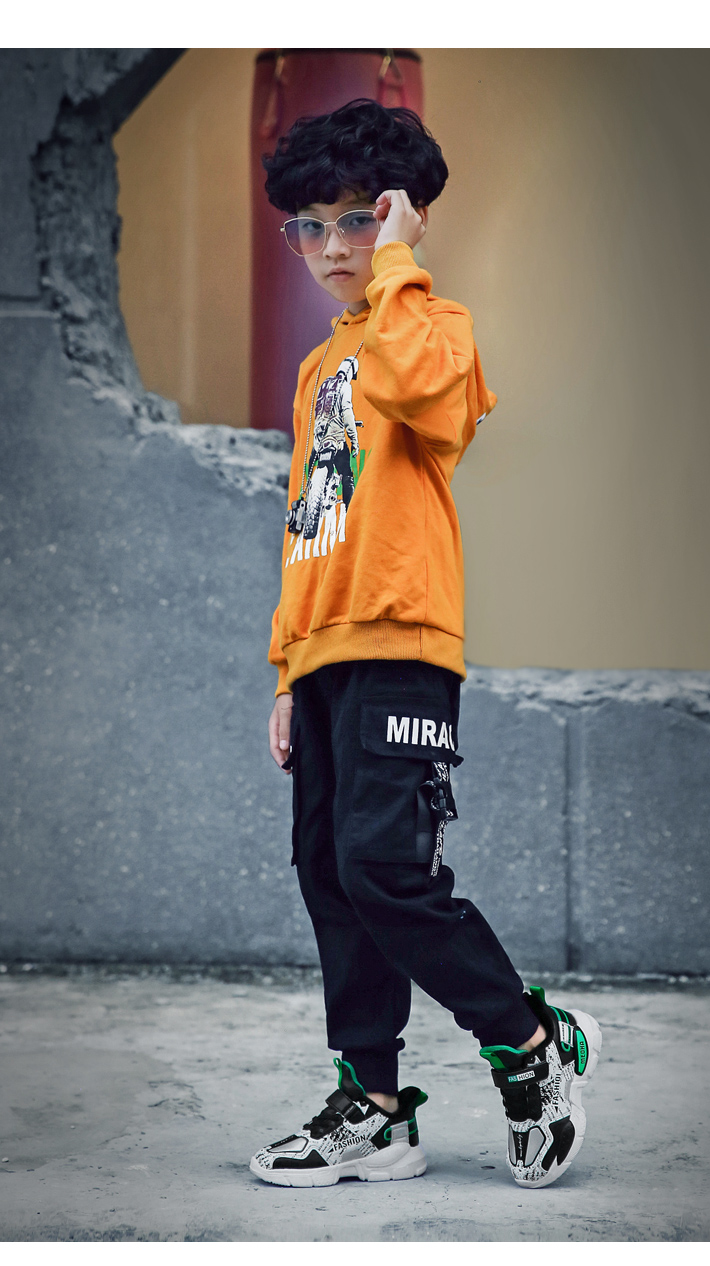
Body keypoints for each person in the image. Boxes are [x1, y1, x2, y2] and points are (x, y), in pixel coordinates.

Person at [250, 99, 601, 1191]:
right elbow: (308, 521)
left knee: (386, 869)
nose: (332, 247)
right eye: (310, 227)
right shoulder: (318, 367)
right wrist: (285, 668)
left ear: (404, 217)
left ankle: (531, 1043)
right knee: (328, 873)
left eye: (358, 219)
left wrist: (398, 262)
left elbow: (423, 400)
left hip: (403, 644)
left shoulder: (433, 326)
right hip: (324, 652)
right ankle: (374, 1106)